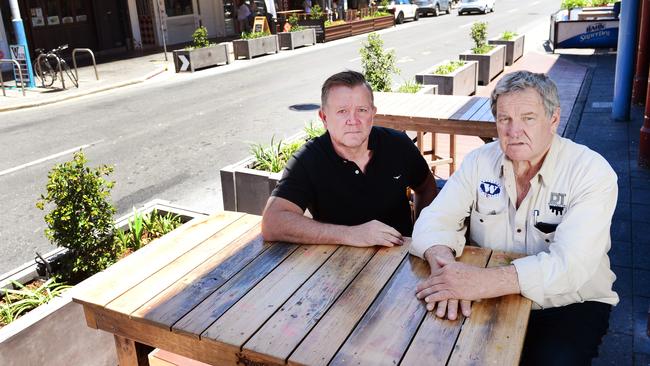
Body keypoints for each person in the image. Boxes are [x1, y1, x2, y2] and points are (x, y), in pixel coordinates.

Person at [411, 70, 618, 365]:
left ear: (554, 119)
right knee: (433, 349)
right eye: (504, 119)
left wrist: (479, 282)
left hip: (568, 301)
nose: (513, 130)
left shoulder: (591, 172)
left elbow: (571, 267)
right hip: (485, 289)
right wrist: (445, 269)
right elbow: (435, 219)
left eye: (528, 118)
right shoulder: (479, 161)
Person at [262, 70, 437, 247]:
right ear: (324, 117)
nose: (353, 120)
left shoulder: (398, 145)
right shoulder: (308, 159)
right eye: (342, 111)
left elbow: (426, 186)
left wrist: (421, 233)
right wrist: (351, 235)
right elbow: (273, 222)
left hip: (402, 260)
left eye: (361, 110)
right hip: (336, 264)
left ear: (372, 113)